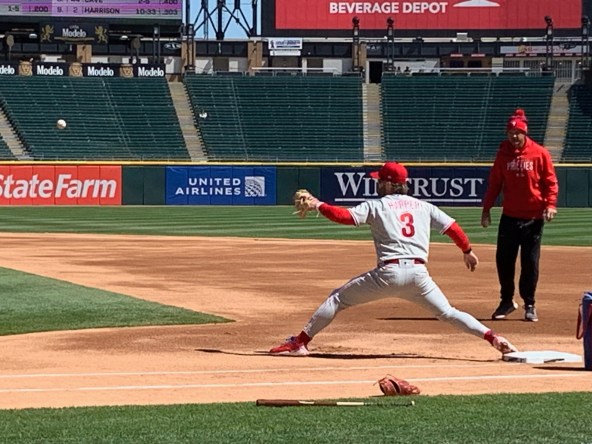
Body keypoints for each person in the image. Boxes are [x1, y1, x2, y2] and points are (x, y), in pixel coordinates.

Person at [270, 161, 518, 357]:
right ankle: (493, 338)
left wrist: (318, 204)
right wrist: (467, 251)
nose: (376, 184)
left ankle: (300, 343)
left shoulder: (377, 205)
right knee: (449, 313)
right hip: (419, 277)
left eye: (380, 180)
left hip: (387, 274)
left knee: (337, 298)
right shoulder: (424, 206)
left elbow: (345, 217)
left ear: (389, 184)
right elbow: (452, 227)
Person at [482, 108, 558, 322]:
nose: (514, 137)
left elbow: (550, 182)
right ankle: (506, 301)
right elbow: (495, 184)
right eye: (510, 133)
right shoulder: (503, 154)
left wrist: (550, 204)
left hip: (533, 218)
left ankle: (530, 304)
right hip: (510, 216)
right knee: (504, 261)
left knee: (530, 262)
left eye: (517, 133)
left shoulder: (540, 153)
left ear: (525, 133)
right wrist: (486, 209)